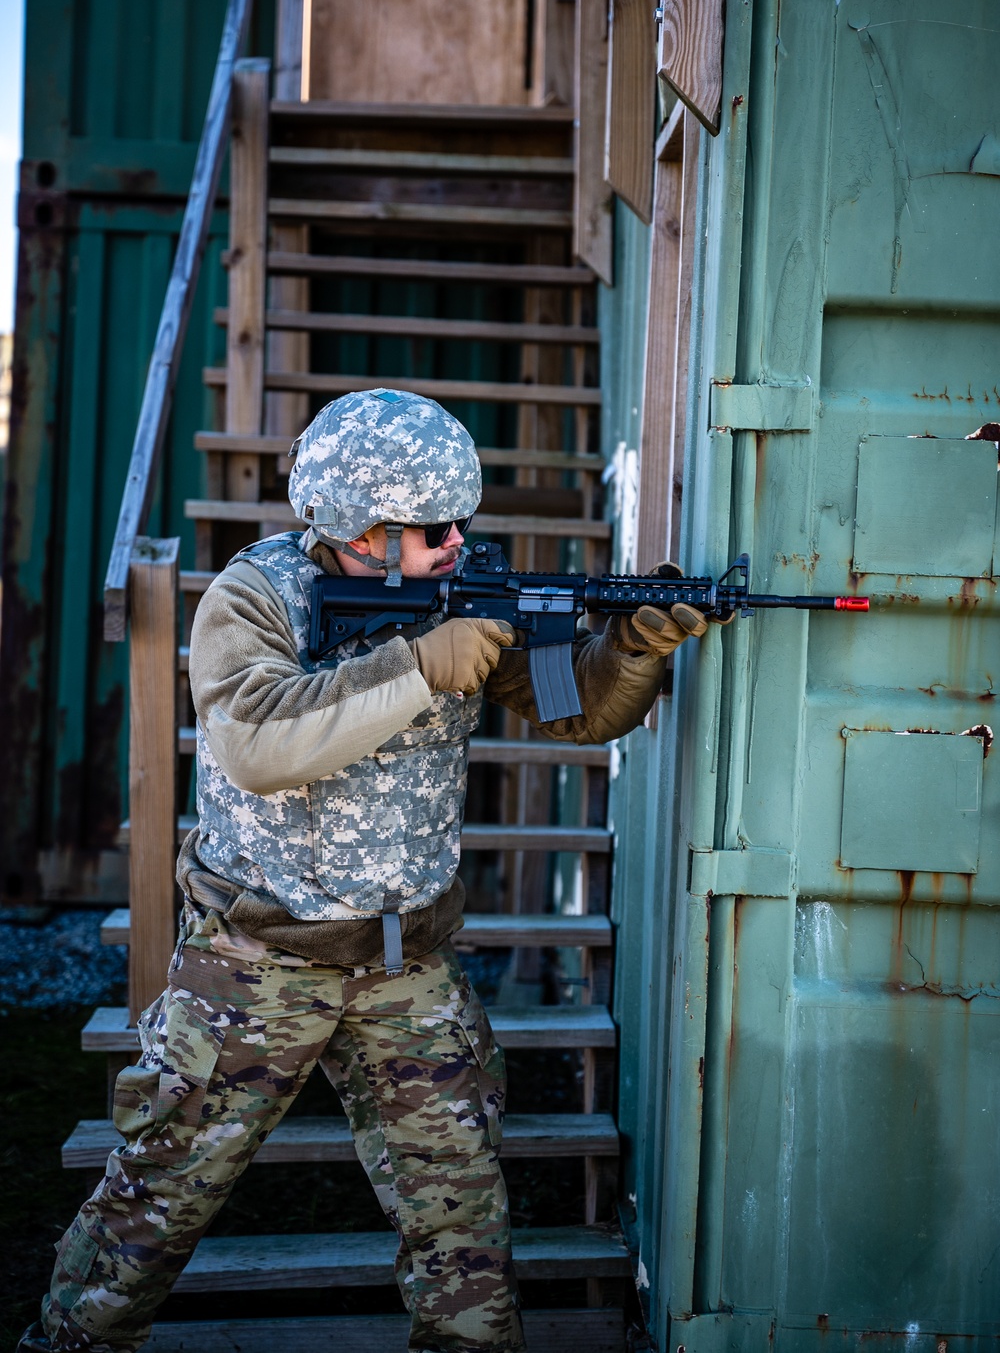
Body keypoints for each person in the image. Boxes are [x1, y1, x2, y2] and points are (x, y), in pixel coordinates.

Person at [20, 388, 710, 1353]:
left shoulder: (458, 590)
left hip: (408, 967)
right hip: (256, 967)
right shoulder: (253, 599)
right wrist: (421, 666)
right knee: (152, 1209)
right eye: (433, 528)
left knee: (465, 1240)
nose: (458, 542)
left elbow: (580, 711)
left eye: (462, 521)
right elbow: (258, 741)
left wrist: (634, 645)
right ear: (366, 532)